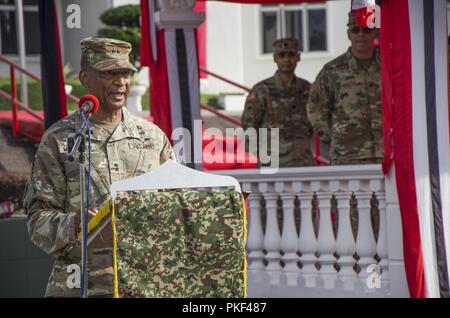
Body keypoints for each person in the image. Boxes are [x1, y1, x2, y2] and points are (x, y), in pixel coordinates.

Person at [23, 37, 175, 297]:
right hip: (80, 284)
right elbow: (38, 221)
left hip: (142, 285)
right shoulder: (60, 139)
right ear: (85, 78)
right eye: (109, 73)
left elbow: (176, 207)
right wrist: (77, 225)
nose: (121, 82)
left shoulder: (152, 137)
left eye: (125, 73)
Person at [306, 12, 382, 165]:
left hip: (386, 155)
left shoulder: (390, 67)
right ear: (348, 34)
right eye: (355, 30)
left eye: (367, 30)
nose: (361, 35)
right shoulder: (332, 71)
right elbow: (315, 110)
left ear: (375, 32)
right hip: (347, 157)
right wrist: (335, 137)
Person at [241, 37, 314, 168]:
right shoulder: (261, 90)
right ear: (275, 58)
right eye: (282, 55)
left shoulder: (307, 89)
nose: (287, 59)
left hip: (303, 163)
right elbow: (249, 127)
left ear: (298, 57)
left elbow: (316, 122)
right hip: (272, 165)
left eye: (291, 55)